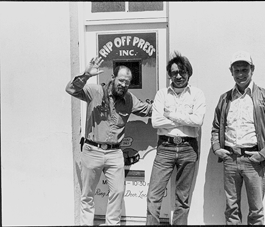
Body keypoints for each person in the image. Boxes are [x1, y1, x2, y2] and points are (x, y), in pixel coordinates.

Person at [65, 56, 152, 225]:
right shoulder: (95, 91)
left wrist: (167, 105)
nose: (124, 85)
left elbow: (147, 110)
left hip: (115, 153)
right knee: (87, 195)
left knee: (118, 192)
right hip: (92, 150)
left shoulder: (129, 99)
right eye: (121, 80)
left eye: (127, 82)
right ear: (113, 78)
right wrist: (86, 75)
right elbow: (70, 89)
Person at [211, 51, 265, 225]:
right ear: (231, 72)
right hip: (230, 159)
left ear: (252, 69)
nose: (241, 74)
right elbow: (215, 127)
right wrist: (217, 149)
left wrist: (263, 153)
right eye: (236, 71)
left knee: (256, 211)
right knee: (231, 210)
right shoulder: (225, 98)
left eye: (244, 69)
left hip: (254, 160)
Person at [146, 52, 206, 225]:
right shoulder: (162, 94)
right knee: (153, 197)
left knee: (182, 199)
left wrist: (170, 115)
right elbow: (156, 121)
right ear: (169, 75)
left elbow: (198, 121)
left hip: (189, 148)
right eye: (174, 73)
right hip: (165, 147)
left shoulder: (197, 94)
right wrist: (185, 119)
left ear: (189, 73)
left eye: (182, 72)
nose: (178, 76)